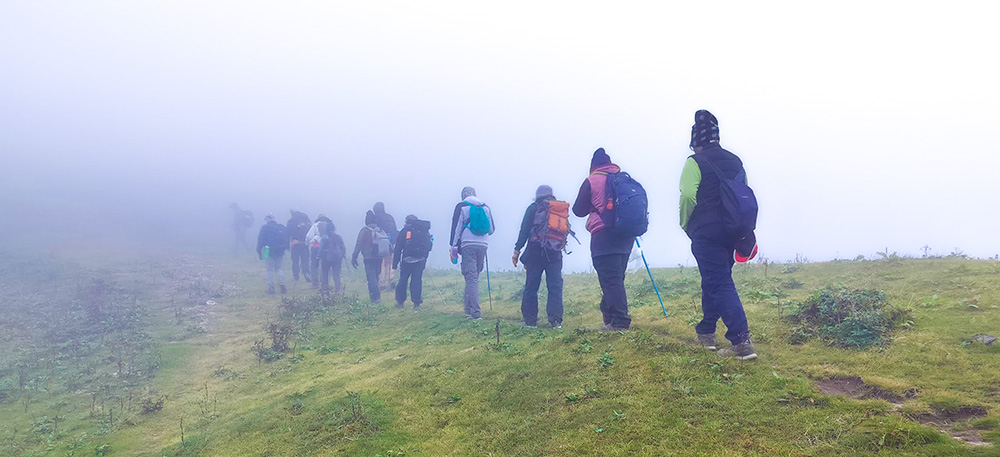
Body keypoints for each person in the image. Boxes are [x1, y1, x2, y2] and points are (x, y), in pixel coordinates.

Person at [679, 109, 757, 360]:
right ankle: (706, 333)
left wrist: (685, 224)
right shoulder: (736, 161)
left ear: (696, 142)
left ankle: (741, 343)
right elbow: (743, 192)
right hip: (732, 231)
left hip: (706, 231)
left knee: (719, 282)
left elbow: (688, 195)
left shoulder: (694, 162)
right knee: (714, 278)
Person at [572, 148, 635, 331]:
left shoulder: (592, 181)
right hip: (626, 235)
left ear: (593, 166)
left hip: (603, 234)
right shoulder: (622, 178)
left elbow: (578, 210)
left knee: (610, 279)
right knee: (616, 278)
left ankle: (620, 322)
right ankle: (610, 318)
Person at [513, 185, 565, 328]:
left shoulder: (533, 208)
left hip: (535, 251)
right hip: (555, 251)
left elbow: (524, 231)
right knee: (554, 286)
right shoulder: (558, 209)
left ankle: (530, 321)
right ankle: (556, 321)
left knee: (531, 285)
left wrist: (517, 250)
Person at [450, 186, 495, 319]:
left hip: (468, 245)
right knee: (474, 277)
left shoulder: (462, 207)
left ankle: (475, 313)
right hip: (483, 245)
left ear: (463, 195)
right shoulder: (485, 207)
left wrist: (453, 247)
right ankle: (468, 308)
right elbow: (491, 230)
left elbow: (457, 228)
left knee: (471, 278)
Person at [393, 215, 432, 310]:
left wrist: (395, 262)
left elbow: (398, 247)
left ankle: (400, 301)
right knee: (416, 280)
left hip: (407, 259)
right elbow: (429, 246)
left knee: (403, 280)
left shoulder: (405, 231)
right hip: (421, 259)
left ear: (407, 221)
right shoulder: (424, 230)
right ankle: (416, 303)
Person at [352, 210, 389, 303]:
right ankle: (373, 297)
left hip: (368, 257)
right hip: (379, 256)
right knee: (376, 276)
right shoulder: (380, 230)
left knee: (371, 277)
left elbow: (359, 244)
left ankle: (375, 297)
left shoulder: (364, 231)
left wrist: (354, 256)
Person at [256, 213, 289, 295]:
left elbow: (260, 241)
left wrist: (259, 252)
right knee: (278, 268)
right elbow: (287, 238)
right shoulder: (281, 227)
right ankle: (282, 285)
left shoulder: (265, 228)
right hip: (280, 250)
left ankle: (271, 288)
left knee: (269, 269)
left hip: (267, 250)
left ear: (267, 219)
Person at [314, 218, 346, 299]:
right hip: (337, 259)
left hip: (326, 259)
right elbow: (343, 248)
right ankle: (338, 290)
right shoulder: (338, 236)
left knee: (325, 274)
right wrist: (341, 256)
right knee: (336, 274)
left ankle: (325, 290)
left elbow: (320, 249)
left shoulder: (324, 237)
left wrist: (317, 258)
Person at [373, 202, 399, 289]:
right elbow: (395, 230)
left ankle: (382, 283)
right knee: (390, 262)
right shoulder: (390, 217)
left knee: (382, 263)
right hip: (392, 243)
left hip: (381, 244)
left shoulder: (376, 218)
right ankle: (391, 279)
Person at [305, 214, 331, 289]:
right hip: (326, 248)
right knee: (325, 265)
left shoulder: (315, 225)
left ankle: (315, 283)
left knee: (314, 265)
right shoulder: (329, 225)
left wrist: (307, 243)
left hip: (315, 247)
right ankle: (324, 282)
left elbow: (308, 236)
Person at [287, 209, 313, 283]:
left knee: (295, 260)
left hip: (295, 243)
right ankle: (306, 272)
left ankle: (296, 275)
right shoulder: (306, 219)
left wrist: (288, 245)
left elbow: (288, 233)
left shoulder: (291, 221)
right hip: (304, 243)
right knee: (305, 260)